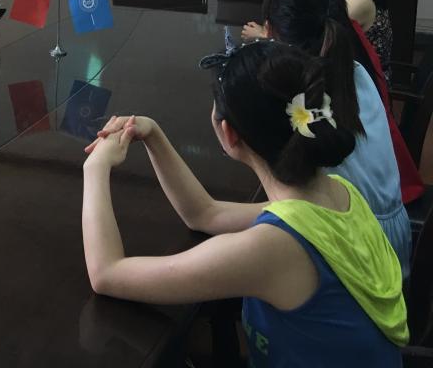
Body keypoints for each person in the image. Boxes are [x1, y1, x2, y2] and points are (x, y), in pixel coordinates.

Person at [84, 41, 407, 366]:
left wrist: (95, 168)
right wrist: (152, 134)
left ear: (229, 133)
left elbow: (106, 274)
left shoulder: (273, 247)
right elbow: (205, 214)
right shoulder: (337, 193)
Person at [263, 0, 411, 275]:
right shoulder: (353, 71)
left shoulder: (303, 96)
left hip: (359, 246)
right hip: (391, 236)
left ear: (269, 33)